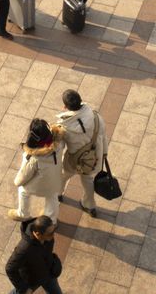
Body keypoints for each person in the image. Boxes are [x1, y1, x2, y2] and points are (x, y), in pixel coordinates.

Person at [56, 90, 109, 218]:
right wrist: (104, 153)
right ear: (81, 101)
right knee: (87, 180)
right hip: (91, 159)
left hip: (73, 161)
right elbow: (103, 137)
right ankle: (89, 205)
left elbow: (59, 147)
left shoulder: (63, 126)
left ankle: (58, 193)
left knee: (63, 176)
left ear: (65, 107)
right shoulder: (96, 117)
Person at [10, 119, 65, 223]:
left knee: (23, 190)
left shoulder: (34, 158)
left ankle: (23, 214)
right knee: (52, 196)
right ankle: (51, 220)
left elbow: (24, 176)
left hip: (41, 185)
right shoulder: (59, 144)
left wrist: (17, 182)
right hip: (56, 179)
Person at [5, 216, 63, 294]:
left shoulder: (48, 237)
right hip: (32, 279)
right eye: (50, 233)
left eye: (53, 231)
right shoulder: (24, 249)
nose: (53, 235)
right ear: (38, 234)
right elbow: (10, 268)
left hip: (48, 274)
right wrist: (24, 288)